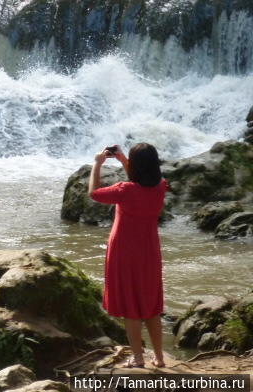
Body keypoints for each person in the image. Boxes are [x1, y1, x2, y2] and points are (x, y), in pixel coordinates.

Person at [88, 143, 167, 368]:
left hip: (124, 251)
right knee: (151, 305)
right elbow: (142, 177)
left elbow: (94, 193)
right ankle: (159, 357)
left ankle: (139, 358)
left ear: (136, 166)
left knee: (130, 307)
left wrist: (97, 164)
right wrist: (123, 159)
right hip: (150, 251)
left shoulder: (124, 190)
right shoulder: (162, 186)